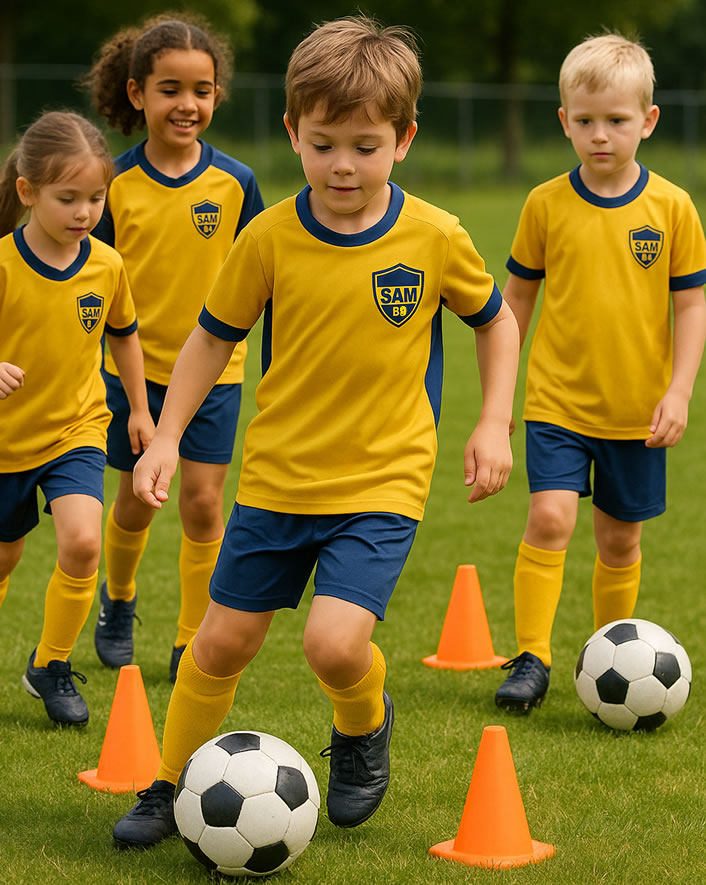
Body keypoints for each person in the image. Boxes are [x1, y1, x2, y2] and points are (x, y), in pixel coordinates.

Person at [111, 15, 518, 847]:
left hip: (382, 478)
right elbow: (210, 339)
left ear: (403, 140)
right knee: (219, 643)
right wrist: (163, 437)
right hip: (277, 477)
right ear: (294, 131)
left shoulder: (434, 235)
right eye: (324, 142)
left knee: (335, 646)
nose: (343, 165)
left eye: (365, 146)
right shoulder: (267, 236)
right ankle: (169, 781)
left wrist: (491, 420)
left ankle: (364, 726)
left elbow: (497, 320)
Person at [495, 33, 706, 714]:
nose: (600, 135)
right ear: (564, 122)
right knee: (550, 516)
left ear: (647, 120)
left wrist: (679, 389)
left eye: (616, 121)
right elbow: (517, 299)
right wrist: (500, 397)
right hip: (556, 400)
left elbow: (693, 303)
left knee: (620, 538)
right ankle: (532, 655)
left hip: (637, 408)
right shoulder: (545, 204)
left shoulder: (672, 208)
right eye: (584, 121)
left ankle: (605, 649)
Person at [84, 13, 264, 680]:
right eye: (170, 89)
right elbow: (94, 289)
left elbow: (260, 278)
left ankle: (191, 638)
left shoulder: (237, 183)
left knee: (203, 501)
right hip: (136, 374)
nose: (188, 104)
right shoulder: (116, 186)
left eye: (202, 89)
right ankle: (120, 598)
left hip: (217, 374)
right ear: (137, 94)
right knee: (135, 497)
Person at [0, 111, 153, 726]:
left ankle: (52, 664)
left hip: (77, 431)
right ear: (27, 191)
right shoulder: (4, 265)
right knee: (5, 560)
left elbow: (124, 336)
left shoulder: (107, 265)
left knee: (84, 541)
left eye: (96, 197)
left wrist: (139, 409)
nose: (85, 211)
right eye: (69, 198)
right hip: (7, 441)